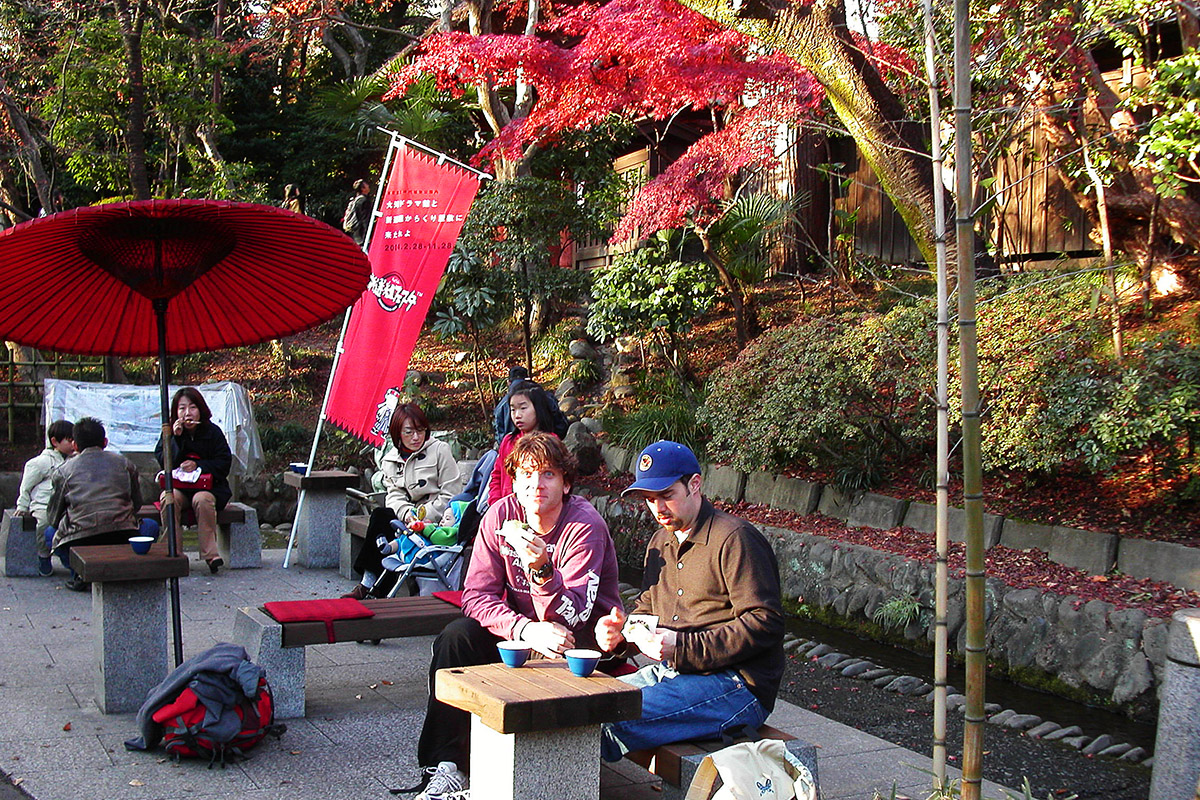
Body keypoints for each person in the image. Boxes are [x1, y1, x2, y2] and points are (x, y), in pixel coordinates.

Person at [412, 432, 621, 800]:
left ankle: (541, 777)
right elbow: (475, 596)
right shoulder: (500, 516)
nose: (535, 485)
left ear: (566, 482)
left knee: (558, 641)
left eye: (547, 475)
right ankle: (446, 767)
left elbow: (571, 617)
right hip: (524, 633)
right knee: (456, 638)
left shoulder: (583, 526)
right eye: (525, 474)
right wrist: (524, 629)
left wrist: (540, 569)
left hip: (582, 640)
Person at [594, 440, 785, 762]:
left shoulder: (735, 538)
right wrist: (622, 635)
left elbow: (765, 622)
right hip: (675, 674)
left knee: (600, 723)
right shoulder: (660, 540)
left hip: (738, 686)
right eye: (650, 500)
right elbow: (648, 609)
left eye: (667, 495)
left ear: (694, 484)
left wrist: (681, 647)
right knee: (575, 707)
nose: (658, 509)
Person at [344, 403, 460, 600]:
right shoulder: (391, 459)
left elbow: (452, 492)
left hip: (437, 521)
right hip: (406, 519)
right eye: (409, 432)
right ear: (398, 434)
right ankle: (369, 582)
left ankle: (374, 588)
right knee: (382, 516)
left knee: (384, 521)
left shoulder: (440, 450)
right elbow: (394, 495)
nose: (416, 437)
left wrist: (424, 516)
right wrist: (407, 514)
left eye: (420, 431)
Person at [46, 417, 145, 592]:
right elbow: (137, 504)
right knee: (149, 527)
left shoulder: (63, 471)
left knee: (49, 533)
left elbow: (53, 516)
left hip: (80, 536)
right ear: (105, 442)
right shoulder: (125, 464)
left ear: (75, 445)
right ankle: (124, 569)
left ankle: (79, 572)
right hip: (122, 532)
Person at [155, 387, 233, 575]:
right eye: (182, 408)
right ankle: (173, 552)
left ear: (200, 409)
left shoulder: (213, 432)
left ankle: (210, 555)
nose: (187, 413)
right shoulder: (170, 432)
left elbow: (224, 461)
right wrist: (174, 439)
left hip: (209, 488)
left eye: (192, 407)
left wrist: (198, 466)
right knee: (169, 499)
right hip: (180, 487)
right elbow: (162, 459)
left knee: (202, 500)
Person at [486, 381, 562, 507]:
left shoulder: (551, 442)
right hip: (506, 507)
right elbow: (497, 475)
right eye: (513, 409)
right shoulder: (508, 441)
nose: (517, 415)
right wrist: (496, 504)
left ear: (538, 408)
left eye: (523, 408)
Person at [14, 420, 75, 576]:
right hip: (43, 505)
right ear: (55, 441)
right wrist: (22, 505)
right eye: (69, 440)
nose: (73, 443)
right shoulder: (40, 463)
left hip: (67, 505)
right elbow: (26, 486)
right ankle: (43, 555)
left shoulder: (74, 461)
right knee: (43, 524)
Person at [343, 178, 372, 246]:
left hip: (355, 234)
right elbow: (365, 219)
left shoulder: (355, 200)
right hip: (363, 235)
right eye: (366, 185)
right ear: (363, 189)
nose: (368, 186)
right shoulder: (364, 201)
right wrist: (368, 235)